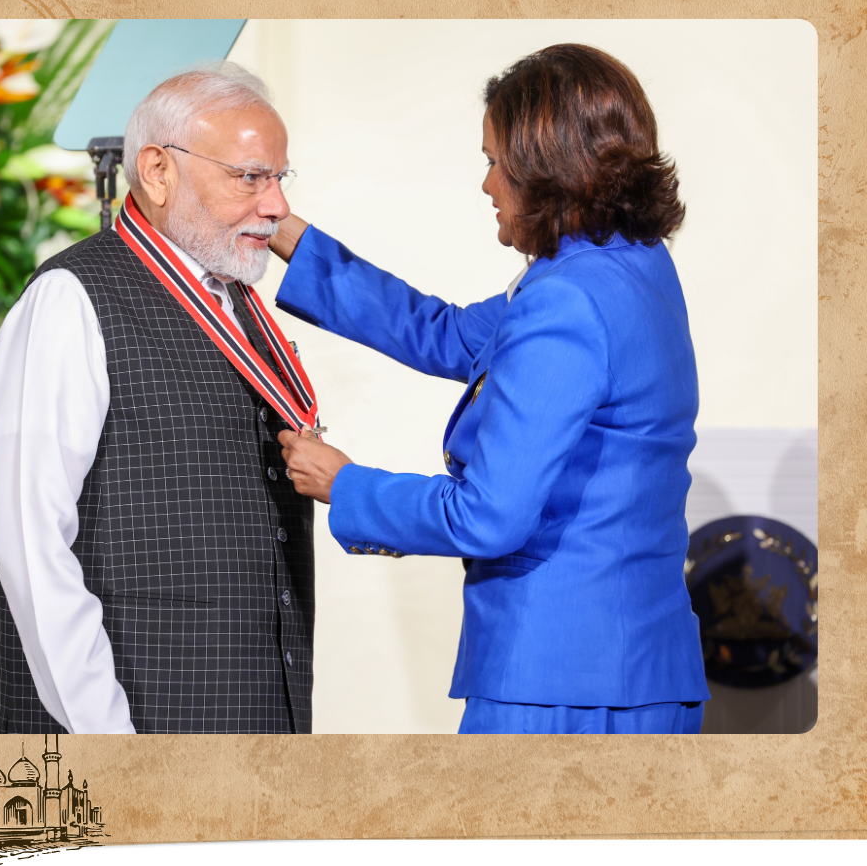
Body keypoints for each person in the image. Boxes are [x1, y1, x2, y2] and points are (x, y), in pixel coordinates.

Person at [269, 44, 710, 734]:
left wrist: (347, 486)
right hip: (639, 673)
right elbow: (446, 335)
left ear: (545, 169)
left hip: (561, 685)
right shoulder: (632, 267)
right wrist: (294, 240)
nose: (487, 186)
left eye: (493, 162)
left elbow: (490, 516)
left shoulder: (567, 299)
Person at [0, 63, 318, 734]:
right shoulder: (69, 301)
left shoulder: (236, 302)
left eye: (279, 178)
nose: (276, 207)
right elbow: (32, 545)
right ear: (157, 172)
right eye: (250, 176)